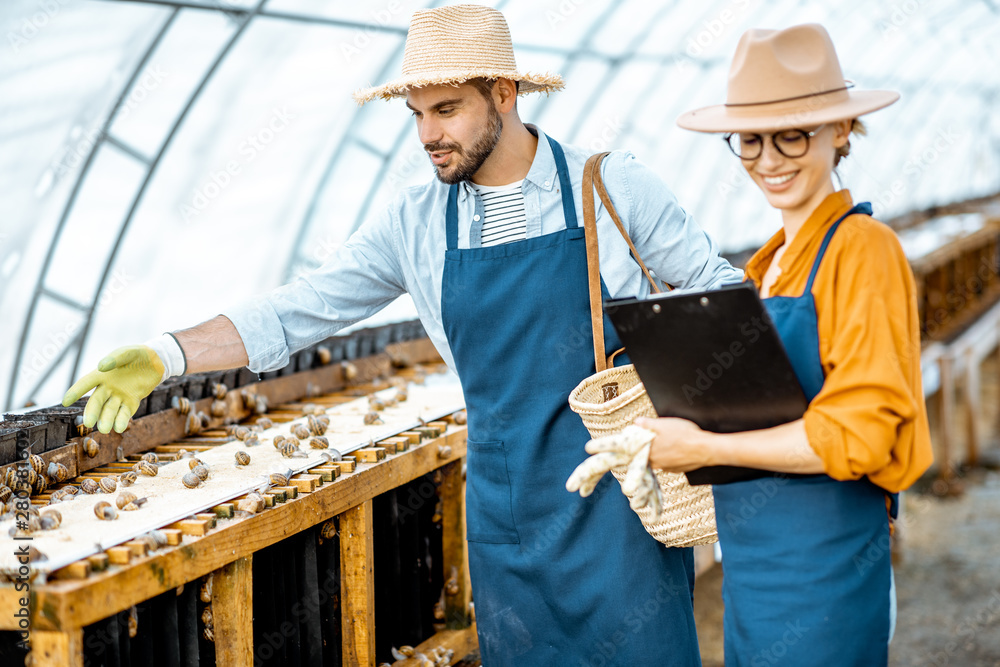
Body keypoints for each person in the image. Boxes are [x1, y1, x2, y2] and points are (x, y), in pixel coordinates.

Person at [62, 5, 741, 665]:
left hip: (622, 504)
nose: (426, 135)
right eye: (416, 114)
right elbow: (303, 308)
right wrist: (167, 353)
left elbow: (721, 298)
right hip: (507, 518)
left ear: (503, 94)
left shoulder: (606, 187)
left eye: (446, 110)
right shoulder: (415, 223)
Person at [631, 23, 933, 666]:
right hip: (754, 570)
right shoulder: (768, 267)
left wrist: (705, 446)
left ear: (842, 131)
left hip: (823, 572)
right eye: (750, 140)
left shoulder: (861, 250)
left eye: (793, 134)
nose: (770, 160)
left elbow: (859, 433)